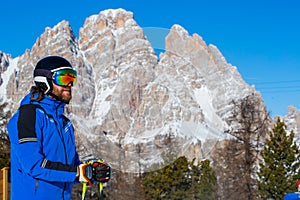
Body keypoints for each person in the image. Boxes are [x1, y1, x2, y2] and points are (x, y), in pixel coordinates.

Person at [7, 56, 111, 200]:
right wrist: (78, 172)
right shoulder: (29, 116)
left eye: (72, 79)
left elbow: (69, 168)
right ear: (45, 82)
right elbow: (34, 165)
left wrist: (92, 172)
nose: (69, 85)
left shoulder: (65, 124)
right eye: (63, 79)